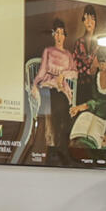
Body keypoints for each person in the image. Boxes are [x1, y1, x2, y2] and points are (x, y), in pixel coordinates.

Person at [33, 19, 79, 160]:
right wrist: (35, 84)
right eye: (56, 33)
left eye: (61, 33)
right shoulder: (48, 51)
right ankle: (53, 148)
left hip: (61, 88)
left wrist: (63, 75)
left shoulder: (68, 55)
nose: (59, 36)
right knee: (53, 106)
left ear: (65, 36)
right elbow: (42, 71)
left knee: (65, 109)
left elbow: (75, 73)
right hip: (48, 85)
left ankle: (61, 148)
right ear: (54, 35)